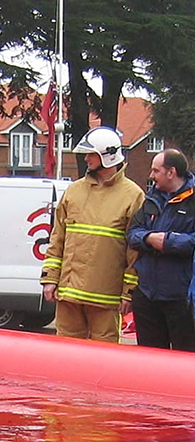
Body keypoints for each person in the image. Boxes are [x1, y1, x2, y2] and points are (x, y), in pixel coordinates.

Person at [40, 126, 144, 343]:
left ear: (107, 156)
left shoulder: (133, 196)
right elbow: (57, 238)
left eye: (91, 154)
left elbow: (134, 251)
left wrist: (128, 292)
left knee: (103, 358)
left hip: (105, 297)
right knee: (65, 354)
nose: (86, 158)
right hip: (68, 294)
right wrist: (50, 278)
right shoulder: (74, 191)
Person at [127, 148, 195, 350]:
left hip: (180, 298)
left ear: (171, 172)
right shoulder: (151, 200)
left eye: (156, 171)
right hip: (147, 296)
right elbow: (132, 234)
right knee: (149, 361)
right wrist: (148, 238)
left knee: (185, 360)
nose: (151, 176)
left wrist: (168, 242)